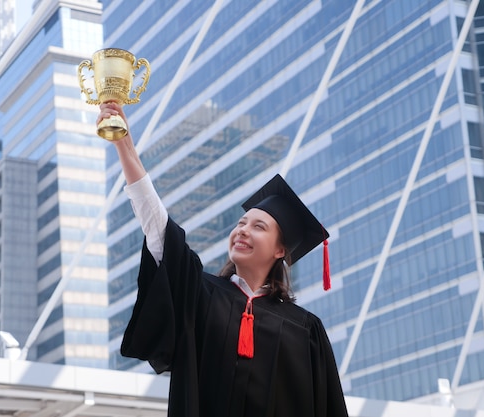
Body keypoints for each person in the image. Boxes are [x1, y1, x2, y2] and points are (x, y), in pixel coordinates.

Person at [98, 102, 349, 417]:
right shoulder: (201, 295)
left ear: (280, 250)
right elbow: (160, 231)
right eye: (241, 223)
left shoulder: (306, 330)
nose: (243, 230)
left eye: (258, 226)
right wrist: (125, 146)